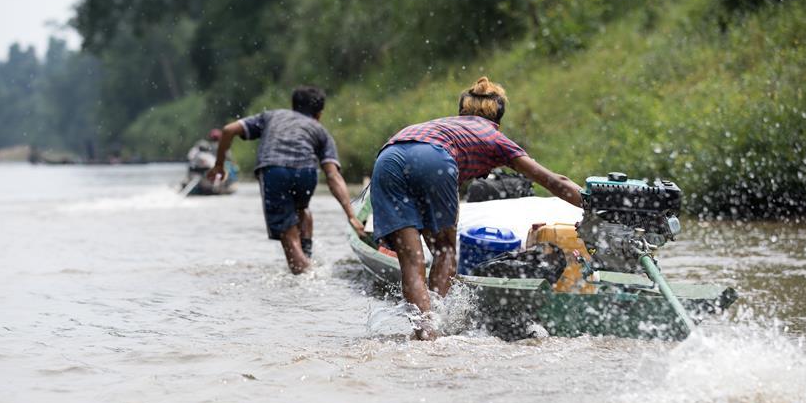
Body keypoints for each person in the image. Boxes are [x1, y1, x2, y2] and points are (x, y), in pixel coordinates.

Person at [370, 76, 583, 339]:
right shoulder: (495, 137)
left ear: (462, 112)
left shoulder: (443, 125)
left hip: (388, 158)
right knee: (445, 251)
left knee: (412, 262)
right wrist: (593, 203)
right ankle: (434, 328)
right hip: (433, 159)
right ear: (498, 121)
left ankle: (424, 333)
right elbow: (554, 181)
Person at [207, 85, 365, 274]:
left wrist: (219, 165)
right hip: (306, 172)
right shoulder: (321, 131)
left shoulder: (271, 117)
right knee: (302, 209)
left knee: (288, 235)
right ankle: (307, 257)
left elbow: (228, 130)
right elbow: (333, 176)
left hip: (274, 171)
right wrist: (351, 216)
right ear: (319, 114)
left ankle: (305, 273)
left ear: (293, 105)